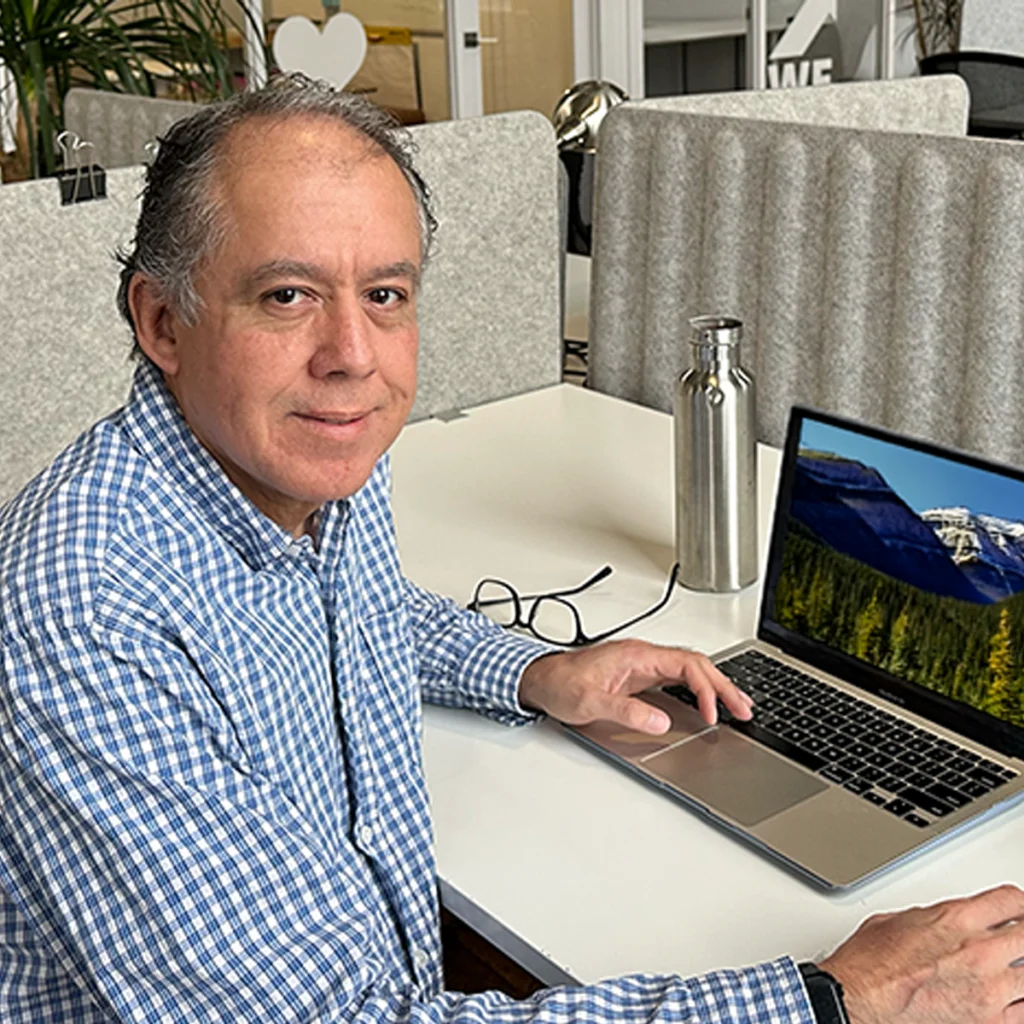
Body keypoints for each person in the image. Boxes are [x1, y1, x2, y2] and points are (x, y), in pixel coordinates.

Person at [0, 75, 1021, 1024]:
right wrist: (827, 1003)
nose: (352, 356)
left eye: (385, 294)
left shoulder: (298, 460)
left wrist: (538, 671)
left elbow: (347, 610)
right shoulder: (87, 604)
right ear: (161, 321)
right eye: (287, 295)